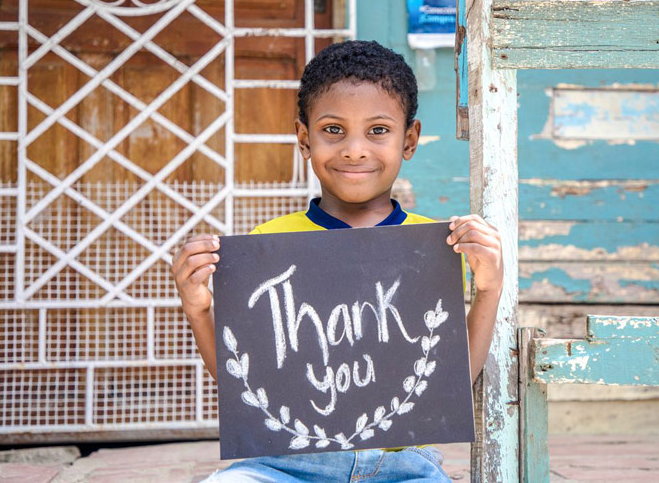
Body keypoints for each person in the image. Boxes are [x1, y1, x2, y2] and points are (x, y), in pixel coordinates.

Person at [171, 40, 503, 482]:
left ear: (410, 139)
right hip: (284, 464)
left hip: (403, 468)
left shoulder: (436, 247)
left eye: (378, 131)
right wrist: (199, 310)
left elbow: (451, 381)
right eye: (333, 130)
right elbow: (247, 383)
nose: (354, 149)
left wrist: (489, 290)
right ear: (304, 139)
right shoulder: (268, 246)